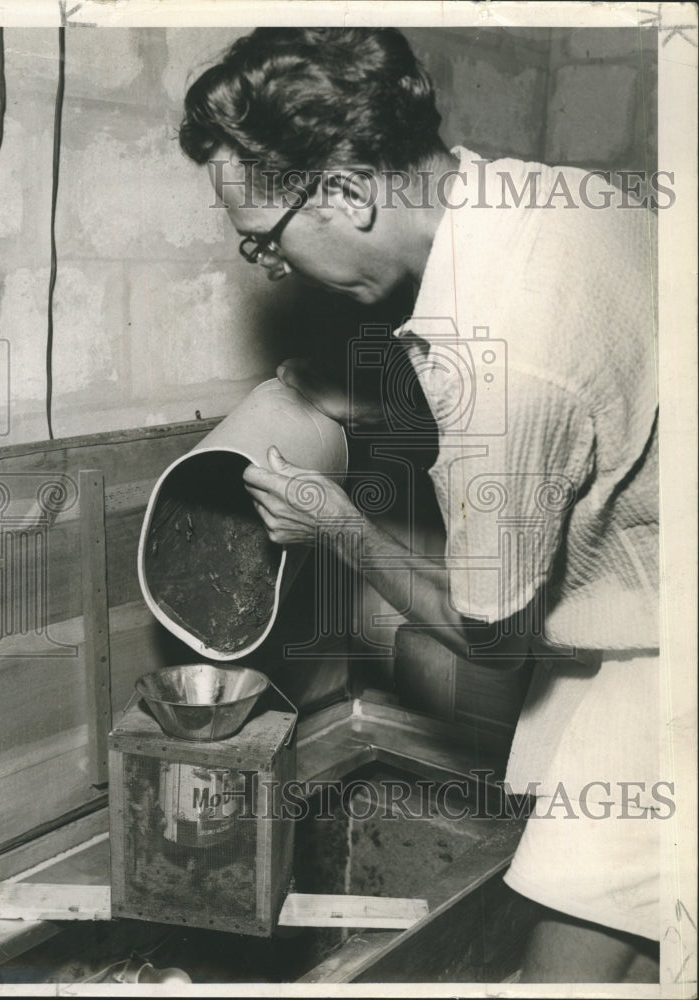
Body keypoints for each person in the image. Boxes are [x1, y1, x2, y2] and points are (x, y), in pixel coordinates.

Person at [179, 27, 660, 983]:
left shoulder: (506, 359)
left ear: (349, 193)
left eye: (263, 244)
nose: (269, 270)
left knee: (562, 970)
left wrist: (339, 529)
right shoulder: (532, 195)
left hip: (668, 650)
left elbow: (494, 637)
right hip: (651, 593)